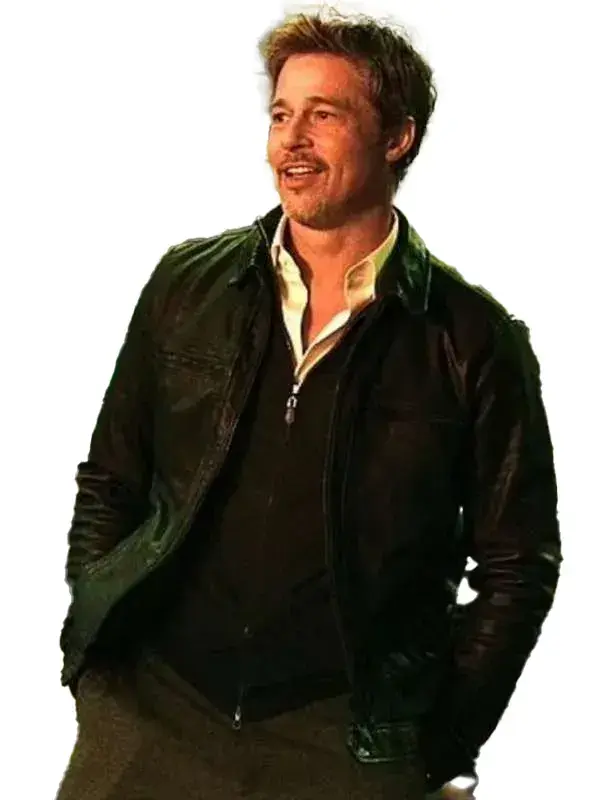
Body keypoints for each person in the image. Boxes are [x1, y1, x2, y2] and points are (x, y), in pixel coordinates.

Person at [55, 7, 562, 800]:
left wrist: (434, 745)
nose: (292, 140)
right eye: (281, 115)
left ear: (397, 137)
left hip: (342, 741)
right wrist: (99, 664)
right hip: (152, 715)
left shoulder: (471, 340)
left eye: (324, 115)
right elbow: (112, 479)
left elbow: (517, 566)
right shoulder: (187, 286)